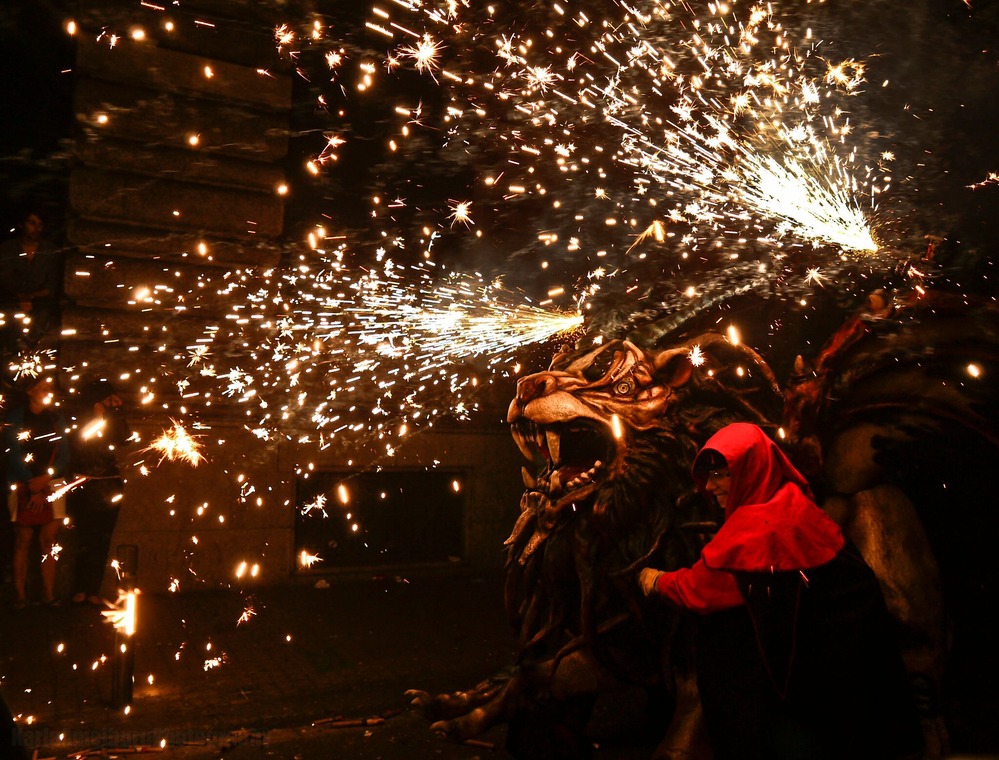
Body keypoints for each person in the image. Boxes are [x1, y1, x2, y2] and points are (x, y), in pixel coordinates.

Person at [638, 422, 924, 760]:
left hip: (796, 704)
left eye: (721, 473)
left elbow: (702, 591)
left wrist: (655, 580)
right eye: (708, 474)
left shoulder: (751, 531)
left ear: (751, 467)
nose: (709, 486)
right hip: (851, 697)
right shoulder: (798, 505)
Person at [4, 374, 70, 609]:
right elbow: (12, 453)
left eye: (48, 387)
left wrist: (46, 479)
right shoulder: (16, 417)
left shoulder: (56, 418)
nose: (45, 391)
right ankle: (20, 596)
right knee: (23, 539)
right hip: (23, 484)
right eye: (40, 387)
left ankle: (49, 594)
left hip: (51, 483)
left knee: (49, 540)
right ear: (30, 391)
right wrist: (30, 483)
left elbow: (64, 453)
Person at [67, 378, 131, 606]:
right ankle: (80, 589)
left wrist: (117, 412)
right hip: (87, 485)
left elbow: (124, 438)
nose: (109, 403)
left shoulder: (114, 417)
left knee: (103, 540)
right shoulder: (82, 416)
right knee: (85, 539)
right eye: (106, 398)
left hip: (110, 485)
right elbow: (80, 445)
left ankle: (93, 590)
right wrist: (96, 419)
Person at [0, 208, 63, 351]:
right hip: (10, 301)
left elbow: (52, 284)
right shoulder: (8, 248)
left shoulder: (49, 251)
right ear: (22, 225)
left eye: (39, 224)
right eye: (31, 223)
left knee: (43, 318)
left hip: (39, 304)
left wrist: (32, 296)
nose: (36, 228)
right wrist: (20, 297)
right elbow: (4, 279)